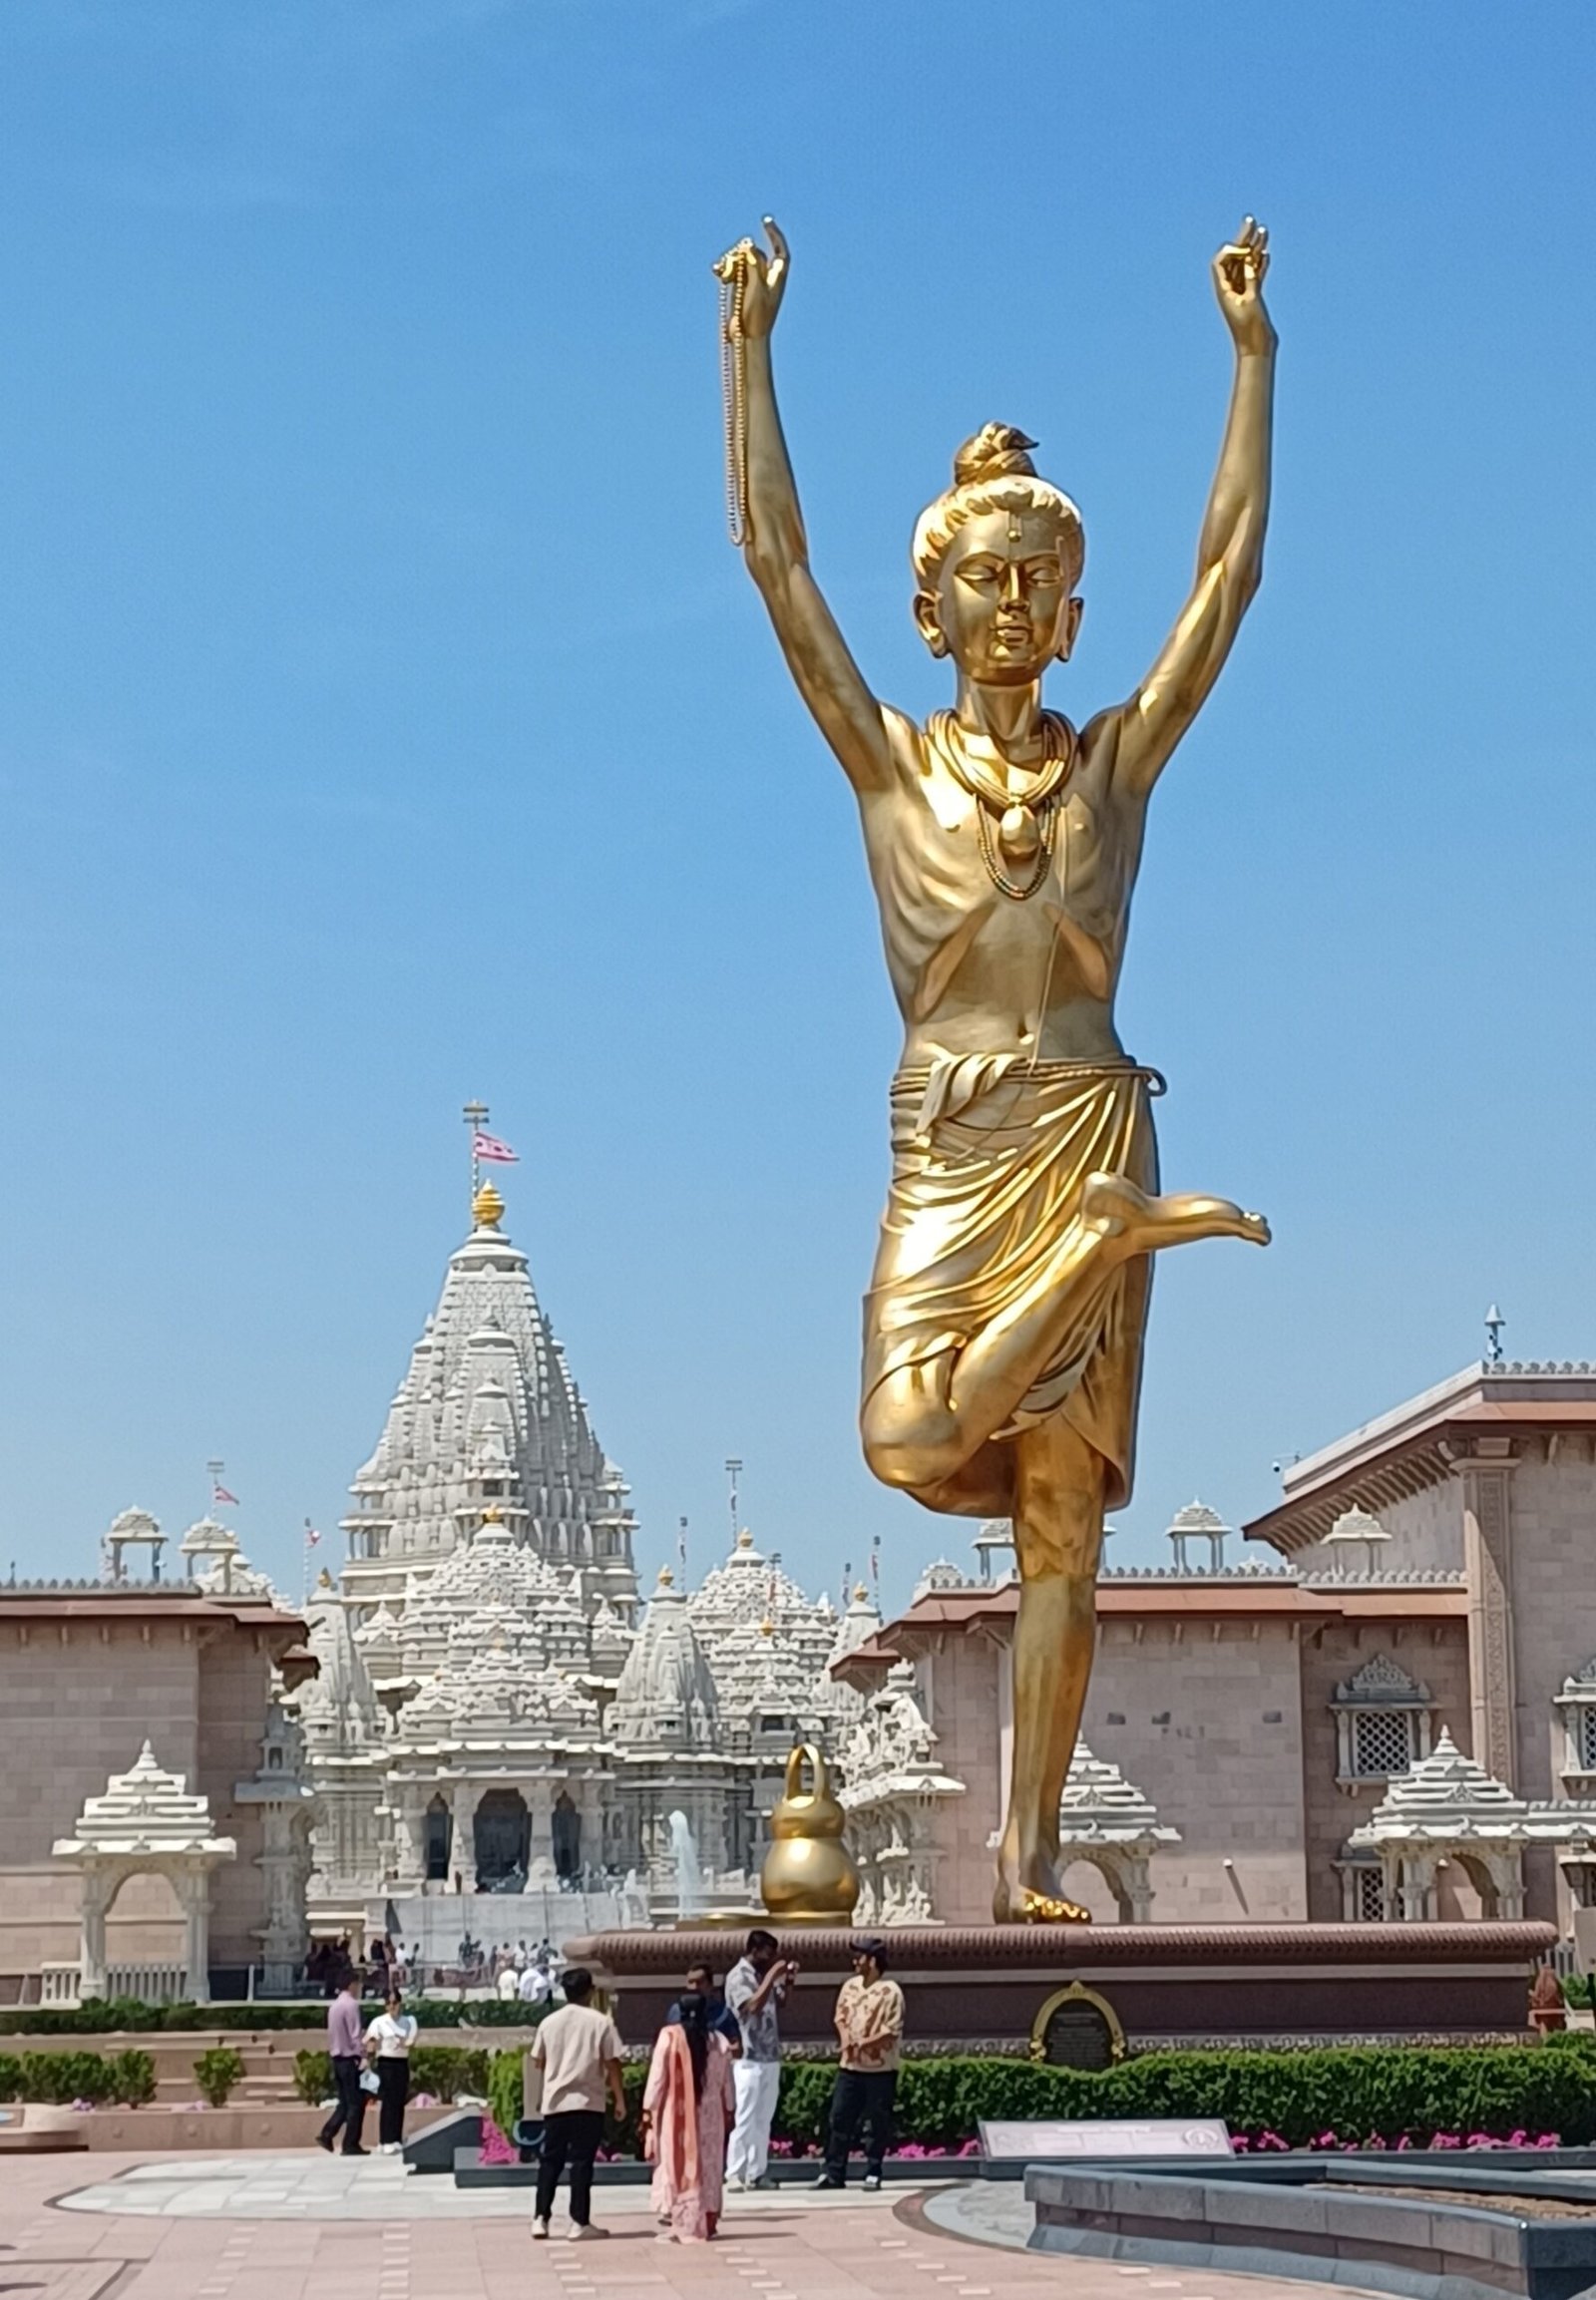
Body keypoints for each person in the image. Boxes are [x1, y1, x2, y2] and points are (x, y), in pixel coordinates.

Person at [716, 217, 1275, 1923]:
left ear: (1073, 603)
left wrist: (1252, 360)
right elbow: (772, 563)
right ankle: (1117, 1238)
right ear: (932, 602)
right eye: (986, 579)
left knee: (1060, 1521)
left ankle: (1028, 1857)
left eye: (1044, 580)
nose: (1016, 604)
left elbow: (1230, 579)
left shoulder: (1116, 768)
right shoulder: (890, 767)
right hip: (959, 1144)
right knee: (902, 1431)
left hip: (1090, 1109)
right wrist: (748, 351)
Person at [529, 1966, 625, 2242]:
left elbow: (539, 2061)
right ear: (590, 1991)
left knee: (550, 2162)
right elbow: (613, 2062)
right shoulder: (600, 2022)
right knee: (582, 2163)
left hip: (556, 2103)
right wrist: (619, 2098)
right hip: (587, 2102)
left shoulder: (549, 2022)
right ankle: (578, 2222)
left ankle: (540, 2218)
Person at [641, 1991, 735, 2242]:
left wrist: (649, 2110)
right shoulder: (719, 2042)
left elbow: (657, 2080)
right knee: (710, 2166)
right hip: (711, 2115)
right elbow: (727, 2084)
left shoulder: (669, 2038)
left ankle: (682, 2220)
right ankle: (708, 2220)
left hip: (677, 2115)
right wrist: (729, 2109)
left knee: (678, 2164)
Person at [812, 1939, 903, 2191]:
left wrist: (863, 2043)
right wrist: (846, 2041)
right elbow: (840, 2017)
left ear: (873, 1961)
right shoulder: (849, 1986)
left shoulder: (891, 1991)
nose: (855, 1962)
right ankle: (834, 2173)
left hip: (880, 2069)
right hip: (849, 2067)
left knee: (876, 2122)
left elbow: (891, 2030)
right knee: (839, 2118)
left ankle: (873, 2170)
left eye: (859, 1957)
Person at [723, 1929, 793, 2191]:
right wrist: (772, 1977)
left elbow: (780, 2003)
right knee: (746, 2116)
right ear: (754, 1950)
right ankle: (735, 2171)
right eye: (767, 1953)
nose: (771, 1958)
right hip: (748, 2057)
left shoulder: (764, 1976)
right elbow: (751, 2007)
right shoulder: (738, 1976)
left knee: (764, 2117)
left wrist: (787, 1982)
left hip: (770, 2054)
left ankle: (757, 2171)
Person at [315, 1973, 370, 2156]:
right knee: (356, 2103)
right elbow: (355, 2034)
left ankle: (327, 2134)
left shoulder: (334, 2006)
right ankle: (350, 2143)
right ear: (352, 1984)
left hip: (337, 2058)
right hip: (349, 2059)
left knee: (345, 2102)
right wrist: (364, 2054)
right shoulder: (351, 2005)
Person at [364, 1988, 419, 2154]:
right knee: (387, 2102)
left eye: (395, 2003)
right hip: (386, 2063)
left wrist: (402, 2041)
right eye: (389, 2003)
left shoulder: (408, 2021)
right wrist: (369, 2055)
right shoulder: (379, 2022)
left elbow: (410, 2041)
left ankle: (396, 2138)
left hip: (401, 2062)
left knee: (398, 2101)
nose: (392, 2006)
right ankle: (385, 2139)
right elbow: (370, 2041)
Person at [667, 1962, 741, 2049]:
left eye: (699, 1982)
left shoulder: (724, 2013)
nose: (694, 1987)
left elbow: (735, 2043)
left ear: (710, 1985)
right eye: (691, 1982)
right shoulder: (676, 2010)